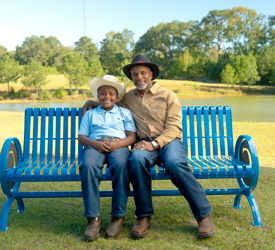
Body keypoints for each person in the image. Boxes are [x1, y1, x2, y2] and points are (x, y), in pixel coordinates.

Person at [82, 55, 215, 238]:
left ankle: (203, 216)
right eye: (135, 74)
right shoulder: (128, 98)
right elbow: (110, 103)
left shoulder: (168, 95)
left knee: (176, 163)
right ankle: (143, 216)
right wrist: (92, 103)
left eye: (143, 73)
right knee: (136, 160)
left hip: (169, 142)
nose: (139, 77)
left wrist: (155, 143)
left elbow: (175, 127)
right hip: (143, 143)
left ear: (151, 74)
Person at [78, 74, 136, 241]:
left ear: (117, 97)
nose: (107, 97)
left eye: (111, 93)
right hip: (95, 145)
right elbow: (82, 137)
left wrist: (118, 144)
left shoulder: (124, 113)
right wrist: (94, 144)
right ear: (97, 96)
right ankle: (93, 219)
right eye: (103, 93)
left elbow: (131, 136)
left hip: (118, 146)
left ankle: (118, 217)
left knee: (121, 166)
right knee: (88, 166)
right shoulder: (90, 114)